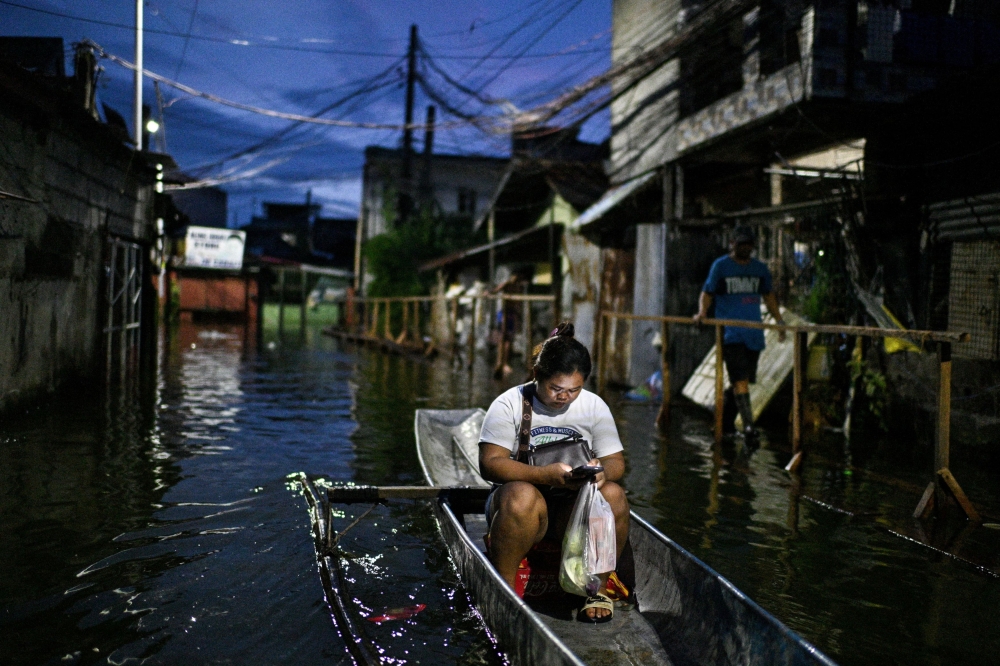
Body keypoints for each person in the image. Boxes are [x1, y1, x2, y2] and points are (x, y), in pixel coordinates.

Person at [478, 323, 629, 623]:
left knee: (613, 494)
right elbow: (490, 463)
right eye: (556, 389)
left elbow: (617, 462)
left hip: (570, 509)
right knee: (521, 495)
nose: (565, 397)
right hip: (520, 509)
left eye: (574, 390)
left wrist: (600, 472)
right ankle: (504, 590)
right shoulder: (508, 404)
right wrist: (545, 476)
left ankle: (596, 588)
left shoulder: (594, 406)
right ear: (537, 374)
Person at [693, 225, 786, 438]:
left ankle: (724, 427)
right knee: (741, 380)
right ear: (732, 244)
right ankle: (749, 427)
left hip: (754, 333)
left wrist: (779, 320)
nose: (745, 247)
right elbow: (707, 292)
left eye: (748, 244)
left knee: (741, 382)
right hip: (731, 333)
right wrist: (702, 312)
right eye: (740, 243)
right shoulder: (721, 266)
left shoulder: (760, 269)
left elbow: (769, 297)